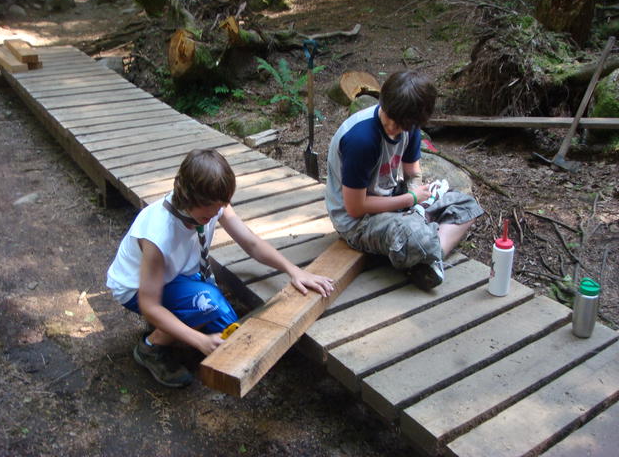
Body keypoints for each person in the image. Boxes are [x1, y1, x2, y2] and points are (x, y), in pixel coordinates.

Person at [107, 149, 334, 388]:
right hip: (136, 288)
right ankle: (151, 347)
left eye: (222, 206)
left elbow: (251, 243)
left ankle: (178, 321)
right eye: (210, 211)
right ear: (188, 198)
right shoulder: (158, 236)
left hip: (175, 274)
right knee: (209, 304)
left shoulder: (211, 204)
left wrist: (294, 271)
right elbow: (149, 305)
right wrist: (200, 341)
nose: (217, 213)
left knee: (229, 332)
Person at [324, 70, 483, 291]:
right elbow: (355, 208)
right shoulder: (362, 140)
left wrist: (420, 199)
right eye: (390, 119)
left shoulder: (410, 126)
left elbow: (412, 173)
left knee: (466, 205)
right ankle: (426, 250)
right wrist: (411, 200)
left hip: (395, 203)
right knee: (417, 235)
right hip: (357, 222)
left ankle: (428, 259)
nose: (392, 128)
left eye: (400, 126)